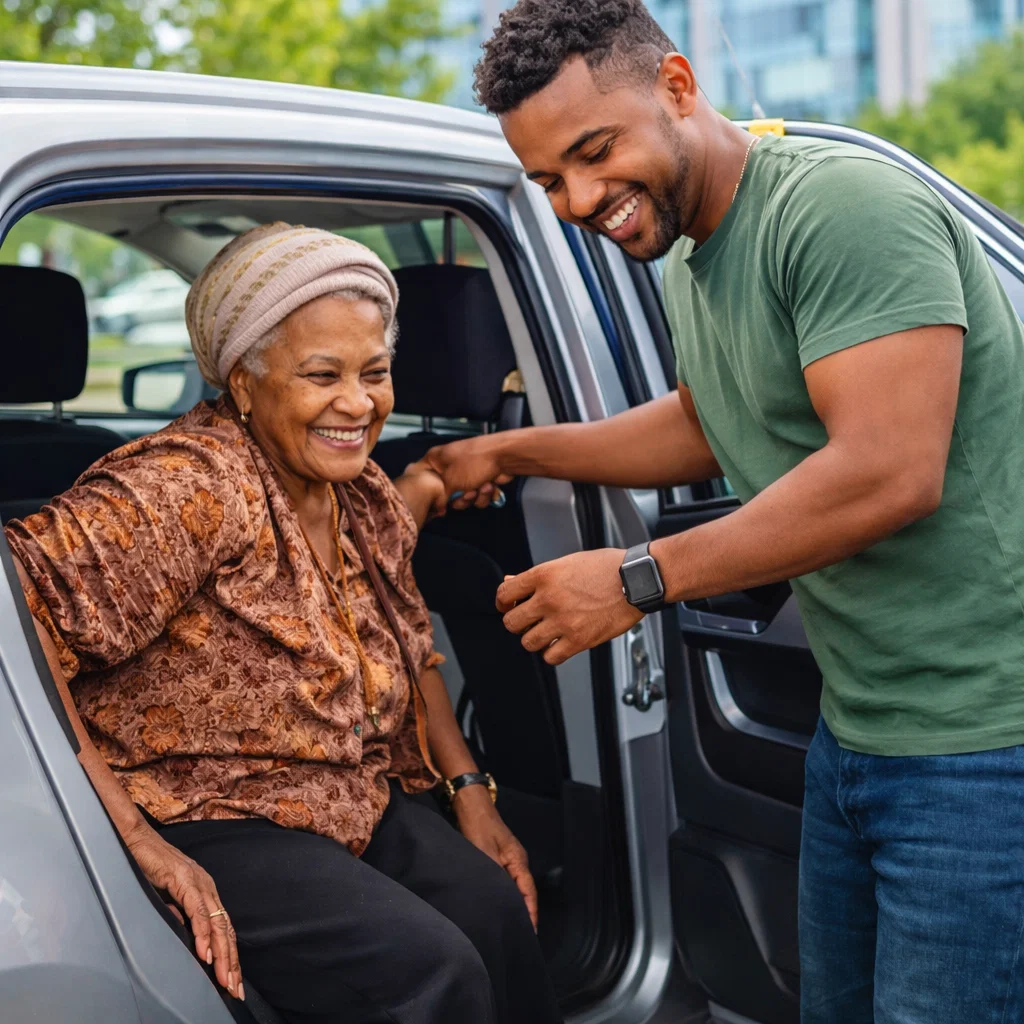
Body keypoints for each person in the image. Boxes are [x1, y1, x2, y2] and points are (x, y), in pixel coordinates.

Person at [427, 2, 1024, 1022]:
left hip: (980, 745)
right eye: (546, 181)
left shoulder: (839, 209)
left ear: (676, 85)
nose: (576, 199)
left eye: (593, 150)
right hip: (861, 728)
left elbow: (887, 469)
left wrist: (633, 580)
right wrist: (507, 447)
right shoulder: (698, 255)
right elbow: (709, 424)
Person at [5, 222, 561, 1024]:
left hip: (344, 794)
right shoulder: (189, 485)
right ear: (243, 382)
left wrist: (471, 794)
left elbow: (407, 644)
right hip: (204, 811)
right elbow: (14, 611)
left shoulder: (361, 490)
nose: (359, 402)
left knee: (495, 911)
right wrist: (135, 841)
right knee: (431, 973)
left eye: (376, 372)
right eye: (322, 374)